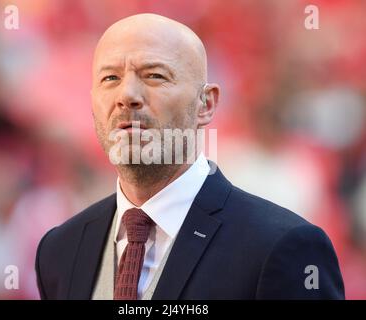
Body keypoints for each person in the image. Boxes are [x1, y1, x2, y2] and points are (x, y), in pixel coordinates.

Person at [35, 13, 345, 300]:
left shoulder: (283, 246)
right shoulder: (59, 250)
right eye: (110, 79)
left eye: (154, 75)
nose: (127, 95)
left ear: (206, 104)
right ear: (92, 104)